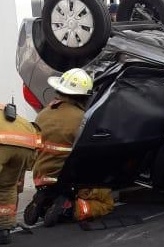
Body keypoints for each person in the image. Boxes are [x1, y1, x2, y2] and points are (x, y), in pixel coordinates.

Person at [24, 68, 114, 228]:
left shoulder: (42, 115)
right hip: (68, 182)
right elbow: (92, 156)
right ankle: (70, 209)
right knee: (106, 202)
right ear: (83, 97)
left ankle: (44, 199)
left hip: (41, 178)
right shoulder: (82, 120)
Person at [0, 102, 39, 244]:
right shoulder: (5, 110)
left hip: (3, 143)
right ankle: (3, 230)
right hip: (27, 143)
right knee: (6, 186)